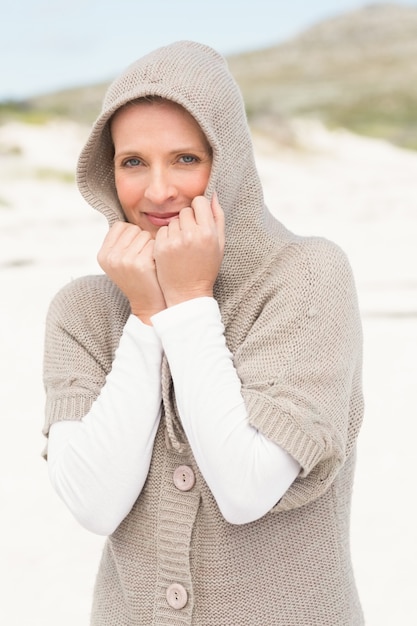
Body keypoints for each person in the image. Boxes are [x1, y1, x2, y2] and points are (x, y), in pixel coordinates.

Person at [42, 41, 364, 625]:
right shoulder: (83, 310)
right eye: (132, 161)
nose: (157, 190)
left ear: (229, 161)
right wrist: (145, 316)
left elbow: (245, 488)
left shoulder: (307, 278)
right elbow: (94, 502)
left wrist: (188, 302)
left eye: (186, 159)